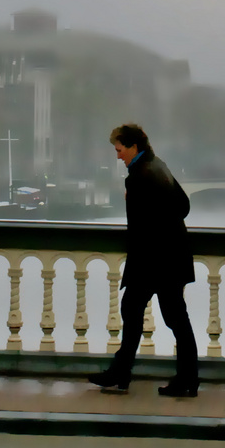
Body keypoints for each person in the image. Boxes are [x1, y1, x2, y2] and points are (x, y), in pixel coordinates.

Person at [88, 123, 200, 397]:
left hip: (154, 262)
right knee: (170, 317)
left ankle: (124, 373)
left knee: (146, 313)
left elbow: (139, 228)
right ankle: (183, 378)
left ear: (132, 146)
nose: (117, 156)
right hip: (170, 258)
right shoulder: (158, 166)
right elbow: (183, 206)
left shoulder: (139, 177)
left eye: (119, 149)